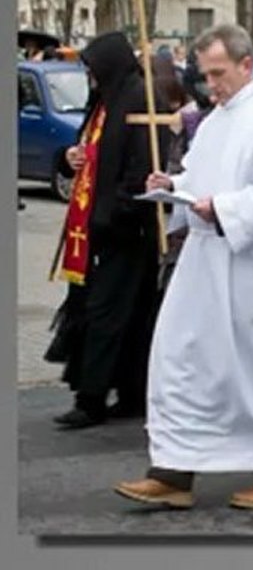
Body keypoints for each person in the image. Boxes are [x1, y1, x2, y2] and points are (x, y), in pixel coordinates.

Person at [114, 23, 253, 510]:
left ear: (246, 65)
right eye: (205, 75)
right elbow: (205, 175)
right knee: (183, 360)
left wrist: (225, 209)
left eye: (219, 73)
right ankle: (173, 469)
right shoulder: (215, 120)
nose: (211, 85)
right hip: (204, 263)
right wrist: (175, 183)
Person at [47, 31, 169, 429]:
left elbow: (143, 167)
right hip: (95, 228)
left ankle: (94, 397)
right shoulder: (103, 102)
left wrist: (117, 209)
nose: (89, 77)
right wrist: (70, 159)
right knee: (100, 309)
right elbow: (84, 155)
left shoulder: (140, 100)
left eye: (92, 69)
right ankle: (122, 391)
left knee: (114, 313)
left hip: (126, 230)